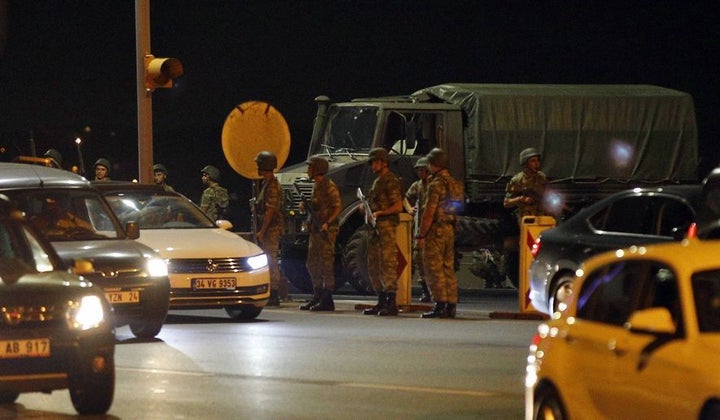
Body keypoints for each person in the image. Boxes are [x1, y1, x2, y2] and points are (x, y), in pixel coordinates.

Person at [417, 148, 459, 318]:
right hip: (449, 228)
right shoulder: (455, 183)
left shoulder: (435, 184)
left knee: (433, 268)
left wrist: (421, 235)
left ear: (435, 164)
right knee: (448, 267)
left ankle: (440, 304)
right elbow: (457, 208)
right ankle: (451, 305)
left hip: (435, 230)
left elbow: (429, 212)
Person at [362, 147, 404, 316]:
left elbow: (398, 206)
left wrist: (381, 213)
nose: (373, 165)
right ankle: (381, 301)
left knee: (388, 264)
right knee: (374, 265)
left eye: (375, 162)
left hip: (386, 228)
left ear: (384, 162)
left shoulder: (390, 180)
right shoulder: (378, 181)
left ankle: (391, 302)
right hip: (375, 229)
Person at [300, 156, 342, 311]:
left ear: (317, 169)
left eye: (310, 167)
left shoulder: (328, 186)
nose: (308, 171)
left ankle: (327, 298)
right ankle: (317, 294)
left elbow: (337, 207)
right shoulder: (316, 186)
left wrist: (328, 222)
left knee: (326, 263)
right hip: (315, 230)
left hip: (326, 230)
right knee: (312, 263)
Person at [254, 151, 285, 307]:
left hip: (271, 229)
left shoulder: (272, 185)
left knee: (271, 260)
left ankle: (274, 293)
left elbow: (270, 211)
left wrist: (262, 230)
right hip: (268, 228)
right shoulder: (266, 184)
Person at [403, 157, 432, 303]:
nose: (420, 173)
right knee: (419, 259)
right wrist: (409, 209)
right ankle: (426, 290)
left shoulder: (435, 185)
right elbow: (406, 198)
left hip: (434, 230)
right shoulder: (418, 186)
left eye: (422, 170)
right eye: (419, 170)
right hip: (420, 228)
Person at [503, 148, 547, 224]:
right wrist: (521, 199)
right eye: (533, 161)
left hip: (541, 216)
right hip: (526, 218)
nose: (537, 163)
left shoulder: (542, 177)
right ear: (525, 163)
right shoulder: (517, 180)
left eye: (537, 160)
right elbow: (506, 203)